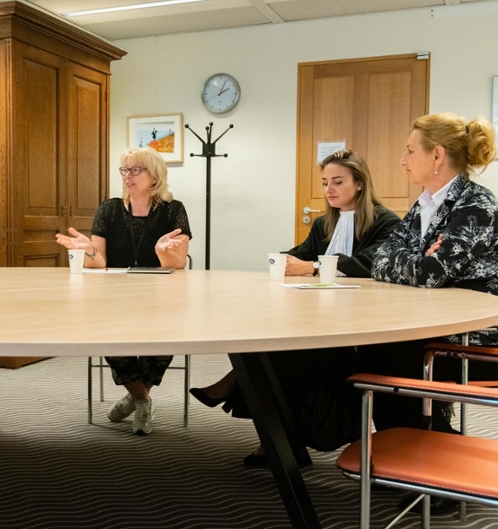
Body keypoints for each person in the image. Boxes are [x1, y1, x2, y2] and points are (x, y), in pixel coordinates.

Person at [189, 149, 400, 462]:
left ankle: (264, 423)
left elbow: (372, 263)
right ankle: (277, 439)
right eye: (325, 182)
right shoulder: (324, 224)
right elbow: (301, 254)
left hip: (363, 323)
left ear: (359, 183)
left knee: (281, 354)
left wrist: (312, 267)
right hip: (321, 315)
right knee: (276, 346)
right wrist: (284, 260)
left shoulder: (386, 222)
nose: (329, 189)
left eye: (338, 182)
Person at [364, 112, 498, 514]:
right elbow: (380, 259)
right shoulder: (425, 204)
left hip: (483, 337)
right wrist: (415, 262)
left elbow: (428, 273)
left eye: (410, 151)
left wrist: (415, 263)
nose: (402, 160)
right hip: (440, 328)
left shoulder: (477, 205)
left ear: (437, 155)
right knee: (373, 353)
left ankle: (441, 471)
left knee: (388, 358)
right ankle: (412, 462)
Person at [55, 147, 191, 435]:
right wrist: (89, 252)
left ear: (155, 176)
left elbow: (179, 264)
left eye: (136, 170)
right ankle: (142, 400)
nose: (128, 176)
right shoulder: (109, 209)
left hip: (161, 296)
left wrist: (161, 252)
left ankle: (136, 398)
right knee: (109, 337)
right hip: (115, 295)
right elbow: (100, 262)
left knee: (167, 337)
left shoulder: (173, 210)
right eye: (125, 170)